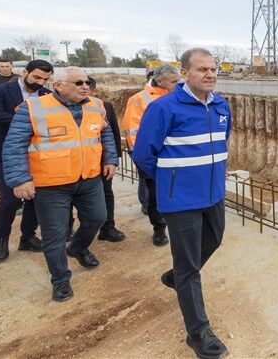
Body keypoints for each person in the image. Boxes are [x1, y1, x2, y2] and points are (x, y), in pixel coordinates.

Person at [133, 48, 231, 359]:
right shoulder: (163, 108)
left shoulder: (221, 105)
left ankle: (177, 277)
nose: (210, 74)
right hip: (180, 200)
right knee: (189, 266)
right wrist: (171, 181)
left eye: (213, 69)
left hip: (213, 194)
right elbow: (143, 154)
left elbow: (221, 142)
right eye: (202, 69)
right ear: (185, 73)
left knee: (214, 240)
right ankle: (198, 332)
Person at [3, 67, 118, 302]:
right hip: (51, 185)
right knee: (54, 235)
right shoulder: (33, 108)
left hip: (88, 179)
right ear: (58, 86)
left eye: (86, 82)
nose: (85, 86)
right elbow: (14, 144)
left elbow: (104, 132)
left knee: (98, 218)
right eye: (78, 83)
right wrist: (20, 179)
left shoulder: (96, 105)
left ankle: (77, 248)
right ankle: (60, 279)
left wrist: (111, 159)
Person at [0, 60, 53, 262]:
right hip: (3, 153)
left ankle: (27, 237)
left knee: (35, 197)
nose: (40, 82)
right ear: (24, 72)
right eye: (37, 77)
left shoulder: (47, 95)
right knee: (10, 199)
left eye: (45, 79)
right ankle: (1, 240)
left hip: (36, 153)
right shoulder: (0, 91)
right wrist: (27, 120)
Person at [123, 64, 180, 246]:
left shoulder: (178, 96)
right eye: (173, 81)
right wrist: (142, 158)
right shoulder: (139, 99)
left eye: (178, 80)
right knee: (155, 196)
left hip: (175, 155)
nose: (177, 84)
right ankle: (159, 229)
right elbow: (133, 130)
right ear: (160, 80)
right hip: (153, 156)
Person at [68, 77, 125, 242]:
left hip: (100, 162)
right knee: (69, 197)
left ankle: (108, 227)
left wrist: (112, 160)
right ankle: (68, 228)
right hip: (70, 164)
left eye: (88, 88)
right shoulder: (61, 108)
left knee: (106, 194)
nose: (84, 91)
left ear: (94, 90)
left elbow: (112, 133)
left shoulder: (104, 106)